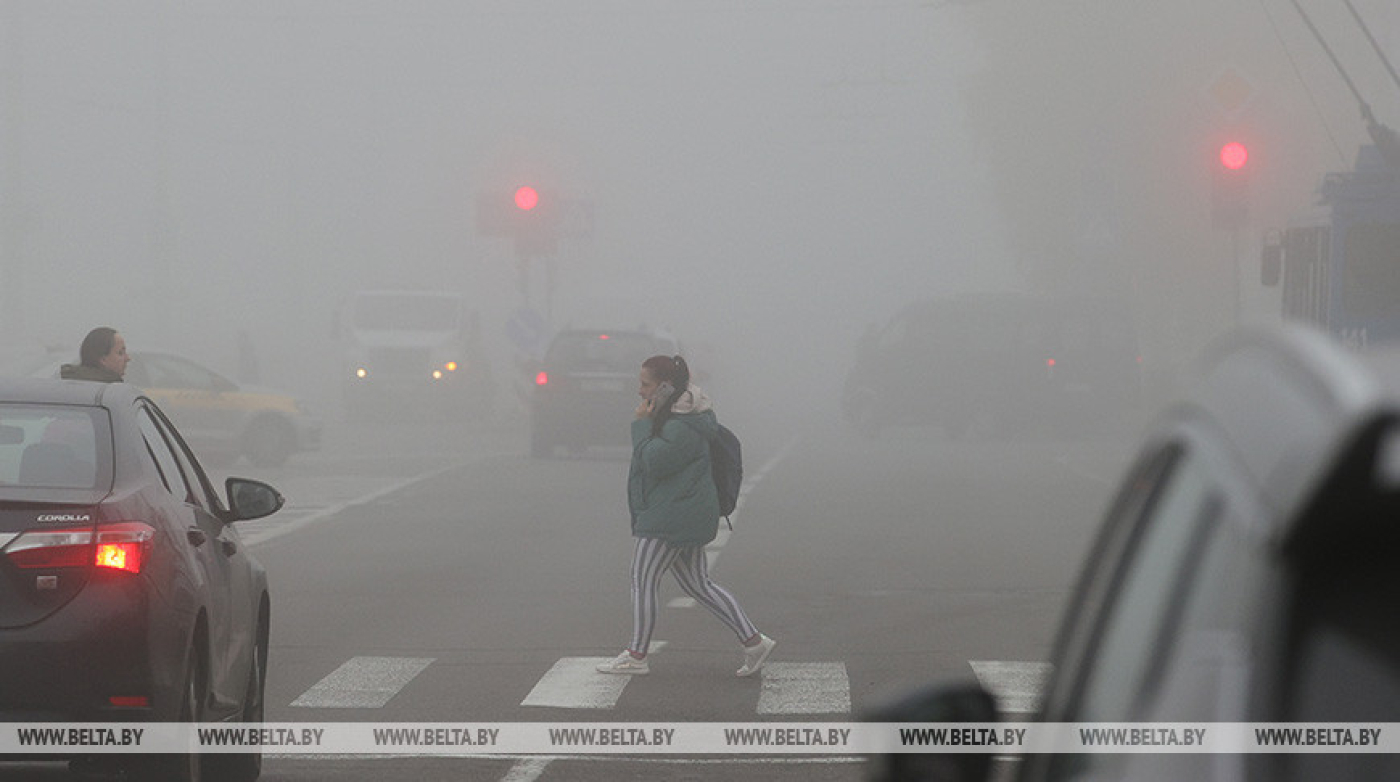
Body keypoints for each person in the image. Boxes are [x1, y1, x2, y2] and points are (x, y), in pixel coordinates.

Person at [596, 354, 776, 677]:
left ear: (665, 388)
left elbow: (654, 462)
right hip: (682, 511)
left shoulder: (683, 425)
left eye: (645, 384)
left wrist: (641, 424)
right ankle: (754, 641)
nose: (640, 391)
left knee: (642, 579)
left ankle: (636, 655)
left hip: (671, 517)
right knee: (697, 584)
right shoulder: (680, 417)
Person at [60, 327, 130, 382]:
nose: (128, 358)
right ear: (103, 359)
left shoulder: (63, 383)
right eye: (120, 353)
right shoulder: (112, 392)